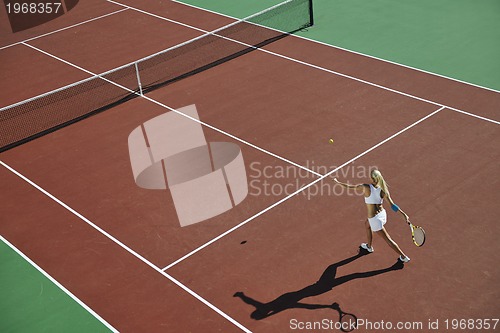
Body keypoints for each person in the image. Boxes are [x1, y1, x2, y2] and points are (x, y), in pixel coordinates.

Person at [333, 169, 411, 263]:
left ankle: (403, 256)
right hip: (382, 215)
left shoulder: (366, 187)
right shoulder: (383, 190)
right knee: (367, 224)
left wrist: (338, 182)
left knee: (387, 239)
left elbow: (350, 187)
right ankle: (369, 247)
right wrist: (403, 214)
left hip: (375, 219)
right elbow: (392, 206)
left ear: (372, 178)